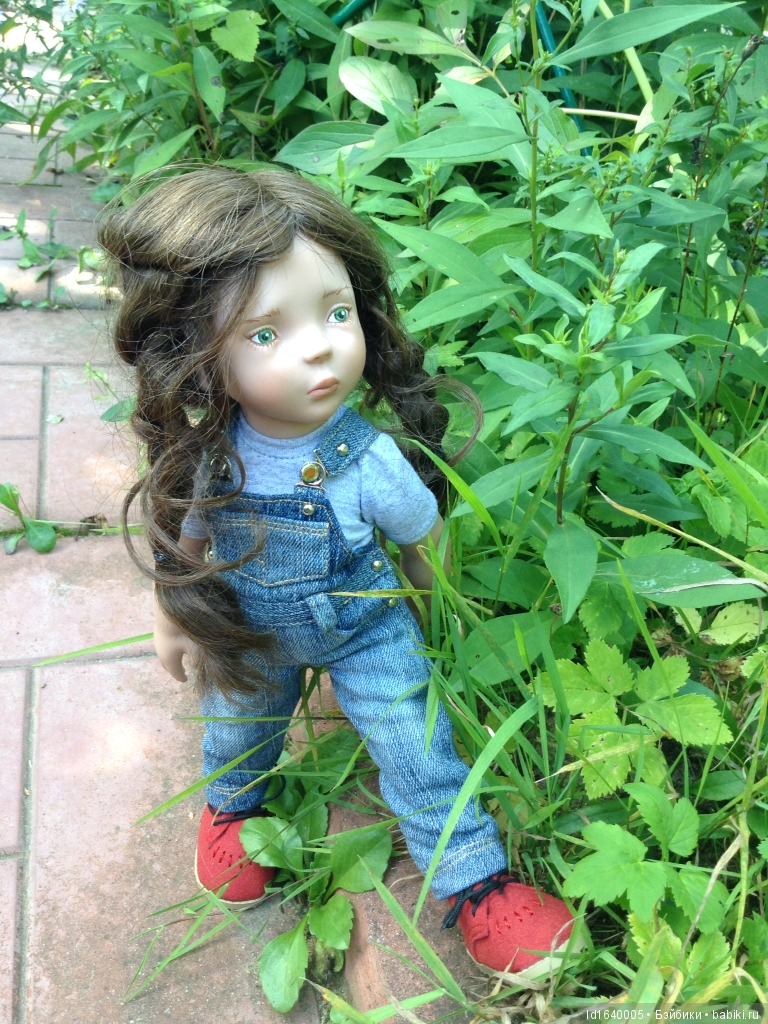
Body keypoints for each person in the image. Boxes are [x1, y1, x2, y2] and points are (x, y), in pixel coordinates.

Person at [98, 167, 577, 985]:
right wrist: (174, 611)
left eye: (337, 312)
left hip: (366, 629)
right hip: (250, 627)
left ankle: (476, 881)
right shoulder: (213, 458)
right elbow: (187, 543)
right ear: (196, 355)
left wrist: (436, 601)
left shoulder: (368, 457)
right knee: (237, 727)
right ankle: (232, 810)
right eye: (264, 335)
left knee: (416, 744)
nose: (319, 346)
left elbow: (423, 539)